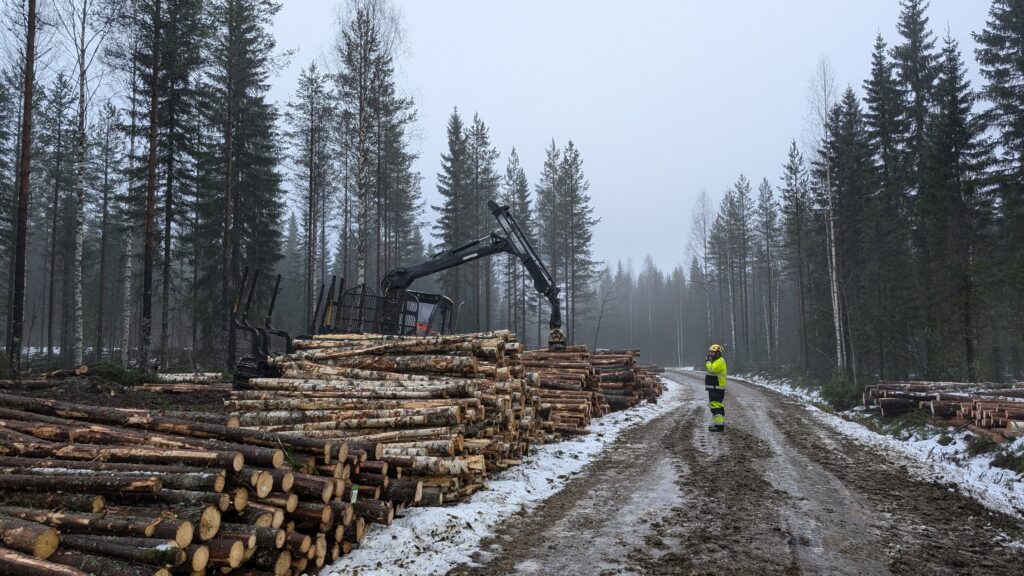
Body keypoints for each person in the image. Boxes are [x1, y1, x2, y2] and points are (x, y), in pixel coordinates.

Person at [705, 344, 727, 431]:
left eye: (712, 353)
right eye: (710, 352)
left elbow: (712, 369)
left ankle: (718, 426)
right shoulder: (716, 361)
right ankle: (720, 423)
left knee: (715, 405)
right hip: (715, 387)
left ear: (718, 353)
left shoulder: (719, 361)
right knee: (718, 405)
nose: (710, 354)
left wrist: (707, 362)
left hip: (716, 387)